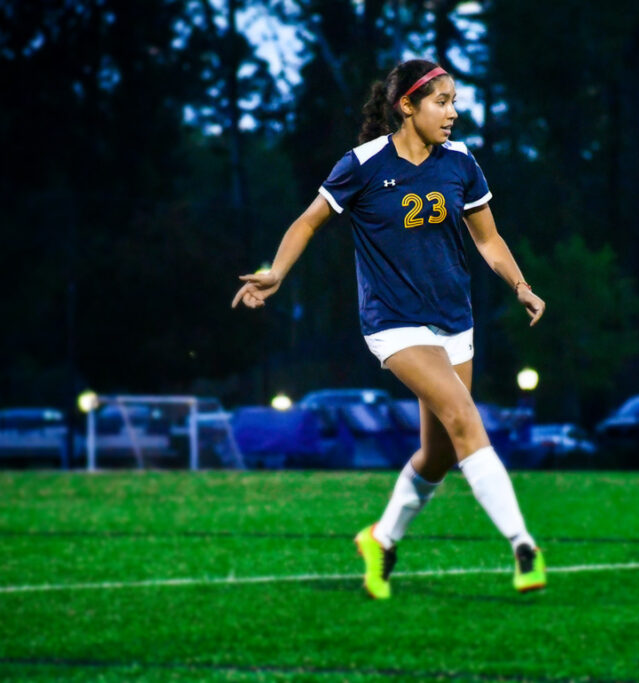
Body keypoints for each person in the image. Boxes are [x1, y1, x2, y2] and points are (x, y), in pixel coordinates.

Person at [232, 59, 548, 598]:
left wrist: (519, 284)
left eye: (454, 101)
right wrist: (276, 273)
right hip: (395, 324)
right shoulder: (363, 164)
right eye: (441, 102)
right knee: (465, 417)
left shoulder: (461, 162)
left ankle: (381, 538)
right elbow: (310, 220)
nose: (453, 112)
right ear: (407, 106)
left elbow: (489, 240)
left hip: (455, 321)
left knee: (441, 452)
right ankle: (523, 545)